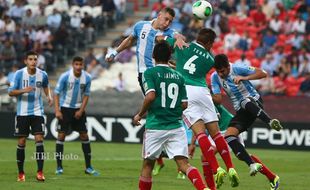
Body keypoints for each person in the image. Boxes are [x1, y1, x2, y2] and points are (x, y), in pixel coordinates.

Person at [164, 28, 239, 188]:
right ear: (210, 43)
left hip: (187, 91)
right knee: (217, 134)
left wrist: (175, 36)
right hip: (203, 92)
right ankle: (231, 168)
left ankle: (216, 168)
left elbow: (159, 40)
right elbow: (196, 65)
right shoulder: (210, 59)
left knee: (200, 134)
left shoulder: (183, 46)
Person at [133, 41, 209, 190]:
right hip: (175, 126)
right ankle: (203, 188)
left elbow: (150, 96)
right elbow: (184, 104)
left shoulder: (150, 73)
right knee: (184, 165)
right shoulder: (179, 76)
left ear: (154, 56)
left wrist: (140, 115)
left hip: (156, 126)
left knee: (148, 164)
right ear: (169, 57)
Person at [211, 54, 282, 190]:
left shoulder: (237, 68)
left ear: (228, 66)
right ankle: (260, 170)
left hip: (254, 102)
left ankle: (270, 121)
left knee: (244, 101)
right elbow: (218, 99)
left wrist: (245, 78)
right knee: (229, 136)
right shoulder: (215, 77)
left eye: (223, 71)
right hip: (242, 112)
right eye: (218, 71)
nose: (221, 74)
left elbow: (263, 73)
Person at [105, 7, 185, 95]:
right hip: (143, 72)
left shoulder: (168, 32)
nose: (167, 23)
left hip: (160, 73)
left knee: (156, 103)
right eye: (166, 19)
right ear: (159, 15)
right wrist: (115, 53)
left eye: (170, 21)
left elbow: (178, 36)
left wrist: (179, 38)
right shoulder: (141, 26)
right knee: (153, 102)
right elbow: (129, 40)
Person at [8, 51, 53, 182]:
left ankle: (40, 172)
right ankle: (21, 173)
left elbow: (45, 85)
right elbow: (11, 92)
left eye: (35, 59)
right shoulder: (19, 74)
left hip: (38, 112)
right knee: (22, 142)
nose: (33, 61)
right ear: (25, 61)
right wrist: (24, 90)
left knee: (39, 140)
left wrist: (49, 97)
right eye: (31, 59)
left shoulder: (42, 74)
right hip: (22, 113)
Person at [54, 56, 99, 176]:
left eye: (81, 64)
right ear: (73, 65)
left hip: (79, 109)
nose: (78, 67)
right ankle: (59, 167)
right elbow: (56, 93)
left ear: (83, 65)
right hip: (65, 109)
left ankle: (88, 167)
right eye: (76, 64)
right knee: (61, 135)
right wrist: (57, 110)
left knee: (84, 135)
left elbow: (86, 95)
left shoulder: (87, 77)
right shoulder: (65, 76)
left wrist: (81, 110)